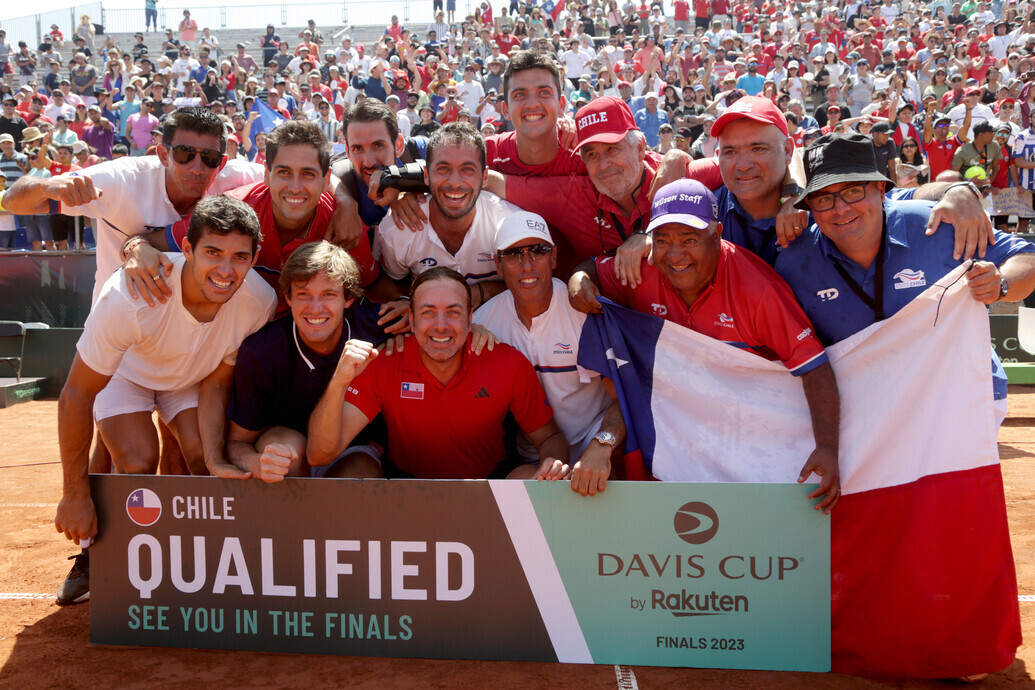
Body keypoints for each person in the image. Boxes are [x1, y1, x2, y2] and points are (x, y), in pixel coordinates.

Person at [53, 193, 276, 605]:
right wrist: (74, 494)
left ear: (254, 257)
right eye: (212, 252)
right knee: (138, 460)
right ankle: (93, 556)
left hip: (188, 379)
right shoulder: (127, 297)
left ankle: (198, 564)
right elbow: (76, 394)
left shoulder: (259, 302)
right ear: (186, 248)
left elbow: (216, 385)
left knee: (204, 461)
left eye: (240, 257)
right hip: (124, 375)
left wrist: (214, 457)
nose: (225, 270)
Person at [567, 178, 841, 511]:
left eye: (689, 239)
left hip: (752, 442)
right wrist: (578, 283)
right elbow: (589, 270)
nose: (675, 254)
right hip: (678, 450)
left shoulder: (759, 291)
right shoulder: (643, 269)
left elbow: (814, 367)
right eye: (663, 240)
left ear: (717, 233)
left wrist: (827, 448)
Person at [306, 266, 570, 481]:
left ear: (470, 318)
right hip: (406, 485)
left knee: (529, 477)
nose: (441, 326)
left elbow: (550, 437)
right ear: (412, 320)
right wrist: (339, 382)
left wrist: (552, 466)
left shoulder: (507, 363)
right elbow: (319, 454)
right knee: (355, 472)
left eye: (453, 313)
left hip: (490, 483)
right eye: (428, 313)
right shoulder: (385, 362)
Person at [1, 107, 263, 305]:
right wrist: (45, 187)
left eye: (209, 157)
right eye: (184, 154)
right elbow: (13, 201)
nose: (197, 167)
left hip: (193, 332)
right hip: (119, 327)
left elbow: (281, 176)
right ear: (163, 155)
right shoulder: (120, 180)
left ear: (222, 162)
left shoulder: (236, 176)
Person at [122, 119, 380, 317]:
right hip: (237, 339)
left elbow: (372, 286)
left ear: (326, 180)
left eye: (308, 174)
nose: (295, 187)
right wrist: (136, 247)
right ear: (266, 174)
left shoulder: (343, 222)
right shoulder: (232, 211)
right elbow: (149, 241)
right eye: (284, 172)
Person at [205, 240, 394, 482]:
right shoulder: (262, 351)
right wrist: (257, 463)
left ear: (348, 299)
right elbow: (237, 444)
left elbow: (426, 321)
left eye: (328, 295)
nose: (315, 309)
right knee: (286, 451)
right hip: (289, 450)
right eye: (303, 294)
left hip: (353, 450)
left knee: (361, 476)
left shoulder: (381, 328)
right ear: (288, 297)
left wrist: (405, 307)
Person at [474, 211, 625, 496]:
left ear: (554, 257)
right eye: (514, 254)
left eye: (538, 251)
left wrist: (602, 443)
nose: (527, 265)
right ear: (498, 264)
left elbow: (625, 397)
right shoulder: (484, 321)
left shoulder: (583, 311)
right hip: (529, 458)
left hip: (593, 448)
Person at [375, 123, 518, 311]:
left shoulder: (509, 223)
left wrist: (482, 292)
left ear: (484, 176)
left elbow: (533, 284)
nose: (455, 183)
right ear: (426, 175)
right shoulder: (397, 229)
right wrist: (405, 302)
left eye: (467, 169)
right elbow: (389, 282)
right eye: (443, 169)